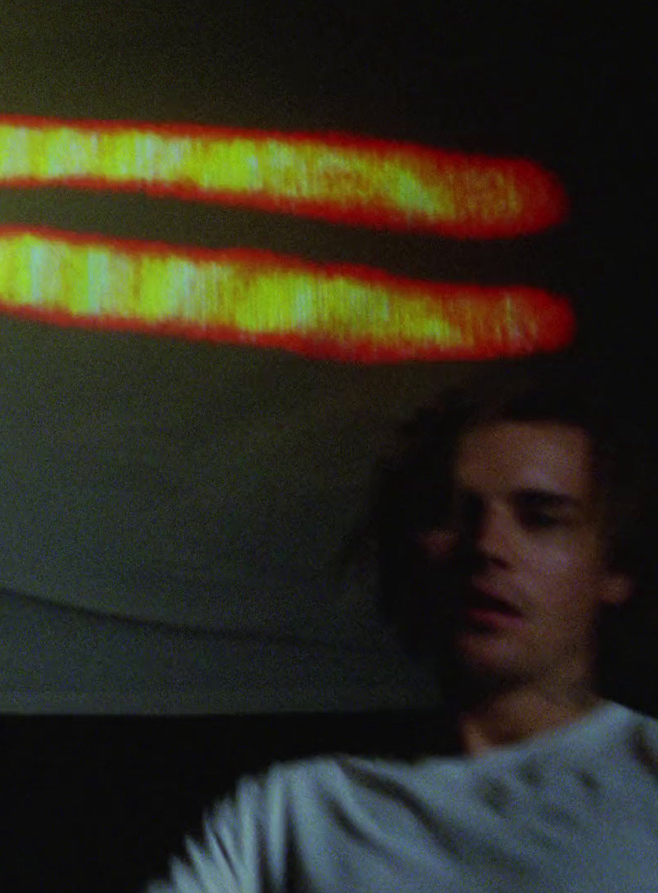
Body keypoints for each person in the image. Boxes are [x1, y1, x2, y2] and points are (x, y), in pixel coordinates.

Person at [144, 361, 658, 892]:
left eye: (541, 518)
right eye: (450, 514)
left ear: (617, 567)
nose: (486, 546)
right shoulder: (289, 814)